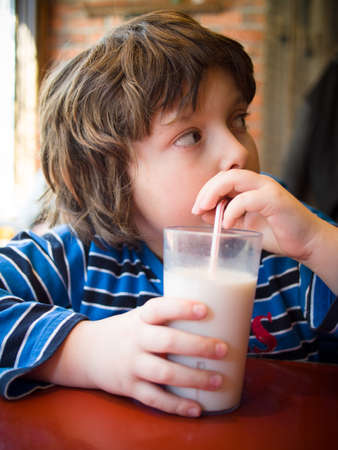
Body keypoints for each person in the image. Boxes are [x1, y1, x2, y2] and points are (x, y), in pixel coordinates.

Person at [0, 10, 337, 418]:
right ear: (110, 174)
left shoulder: (295, 251)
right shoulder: (75, 260)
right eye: (190, 135)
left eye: (238, 120)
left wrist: (318, 243)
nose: (238, 152)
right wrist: (84, 351)